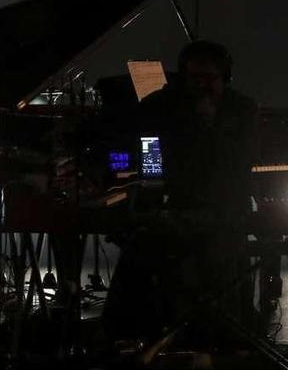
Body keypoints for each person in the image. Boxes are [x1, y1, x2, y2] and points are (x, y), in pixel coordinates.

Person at [104, 40, 258, 345]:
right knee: (139, 241)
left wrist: (206, 125)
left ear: (225, 77)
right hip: (178, 204)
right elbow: (148, 151)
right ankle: (131, 335)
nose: (201, 87)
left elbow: (235, 169)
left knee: (159, 238)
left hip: (223, 208)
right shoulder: (166, 104)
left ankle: (212, 333)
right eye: (194, 79)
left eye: (209, 79)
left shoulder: (242, 110)